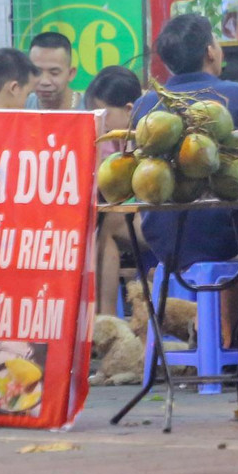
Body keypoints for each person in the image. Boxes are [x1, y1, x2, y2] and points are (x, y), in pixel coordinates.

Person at [133, 13, 238, 342]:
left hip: (163, 242)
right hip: (226, 239)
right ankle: (233, 342)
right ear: (210, 51)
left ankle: (210, 336)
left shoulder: (145, 105)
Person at [85, 65, 144, 316]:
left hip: (168, 223)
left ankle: (105, 318)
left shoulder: (147, 133)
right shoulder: (112, 138)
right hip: (146, 220)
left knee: (107, 227)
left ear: (129, 109)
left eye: (104, 113)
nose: (100, 120)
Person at [26, 32, 83, 110]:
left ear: (71, 74)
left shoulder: (91, 109)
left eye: (54, 73)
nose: (44, 82)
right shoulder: (21, 107)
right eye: (37, 72)